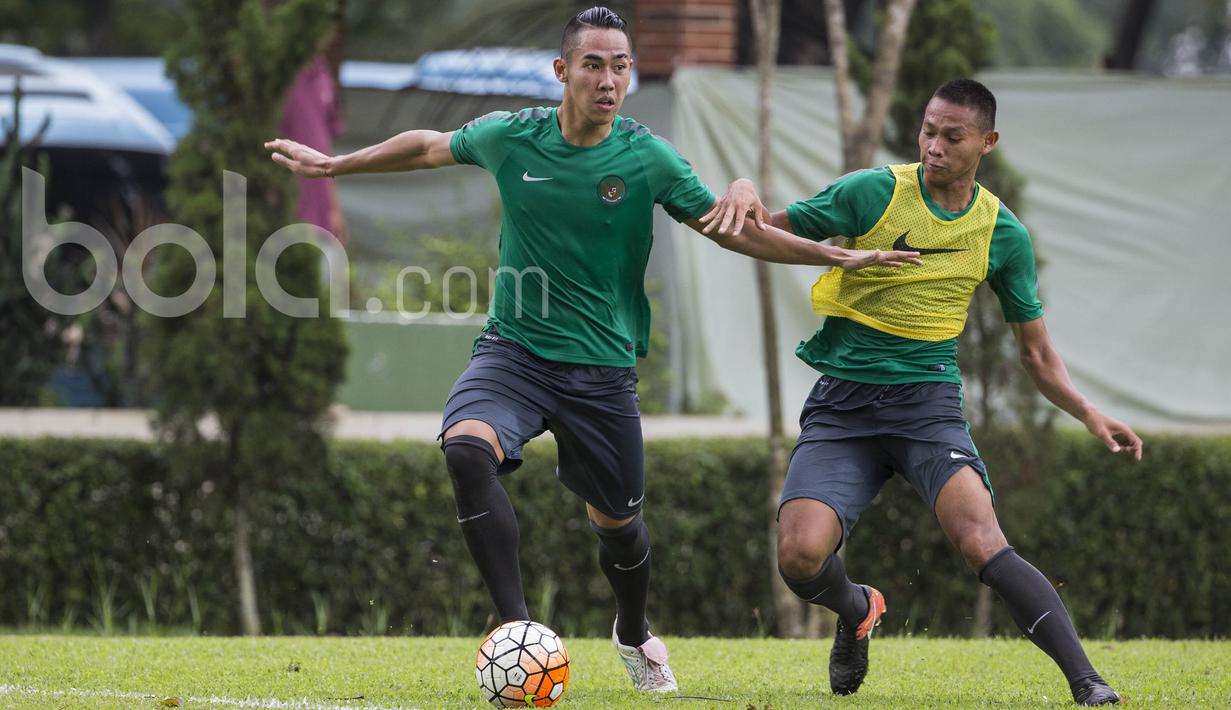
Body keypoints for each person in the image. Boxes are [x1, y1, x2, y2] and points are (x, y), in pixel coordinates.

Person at [266, 6, 920, 695]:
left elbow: (731, 231)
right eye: (594, 64)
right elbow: (429, 144)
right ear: (561, 71)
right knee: (465, 448)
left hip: (602, 372)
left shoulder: (646, 158)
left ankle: (634, 634)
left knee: (620, 526)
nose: (609, 80)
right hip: (513, 355)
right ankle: (516, 630)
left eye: (621, 66)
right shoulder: (512, 137)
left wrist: (833, 256)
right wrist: (337, 165)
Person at [703, 78, 1141, 706]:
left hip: (926, 407)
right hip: (842, 407)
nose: (934, 146)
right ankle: (856, 608)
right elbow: (751, 231)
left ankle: (1088, 682)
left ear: (987, 142)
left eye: (952, 136)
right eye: (928, 131)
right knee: (799, 556)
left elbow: (1037, 354)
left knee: (983, 543)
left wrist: (1091, 413)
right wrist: (744, 191)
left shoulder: (1001, 234)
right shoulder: (872, 191)